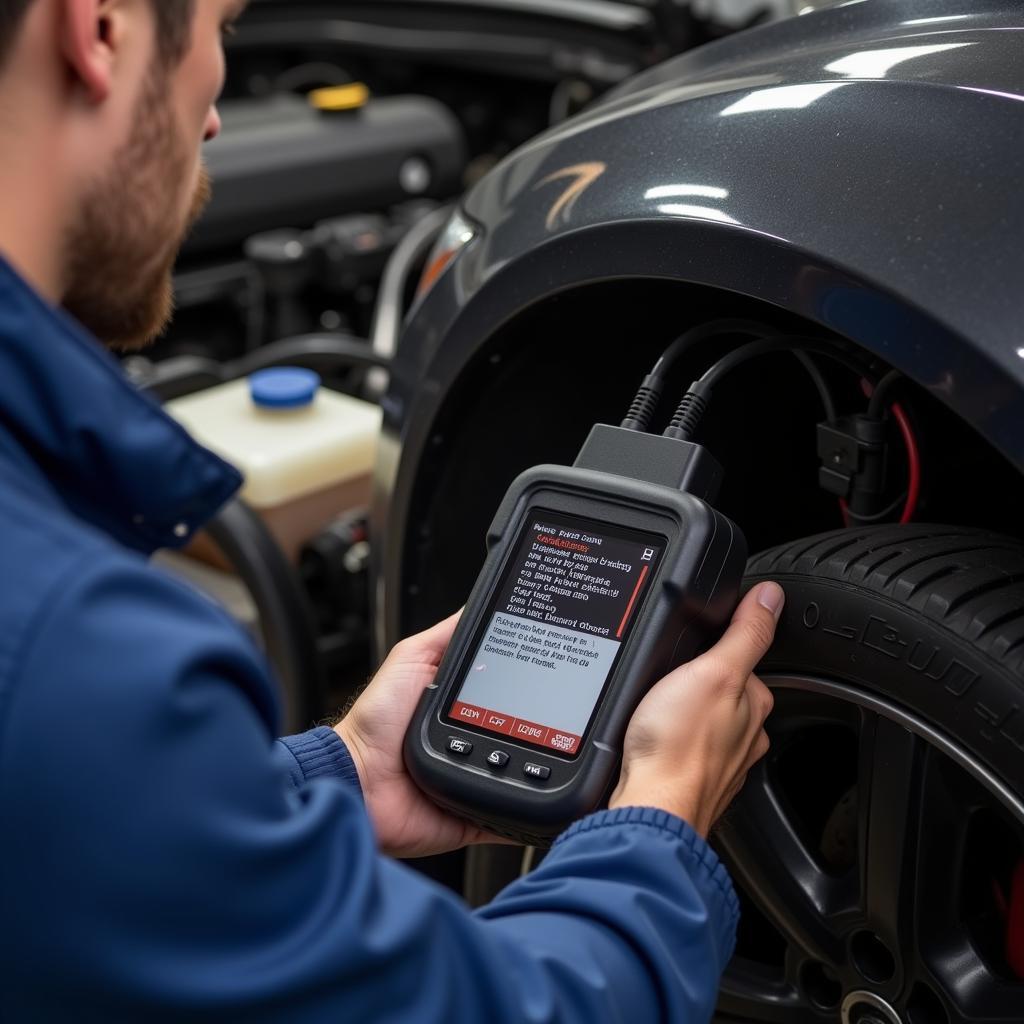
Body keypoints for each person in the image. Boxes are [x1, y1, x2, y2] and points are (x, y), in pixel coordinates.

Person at [0, 1, 781, 1019]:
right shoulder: (78, 656)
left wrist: (340, 777)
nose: (215, 114)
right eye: (219, 31)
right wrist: (659, 824)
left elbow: (78, 833)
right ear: (97, 27)